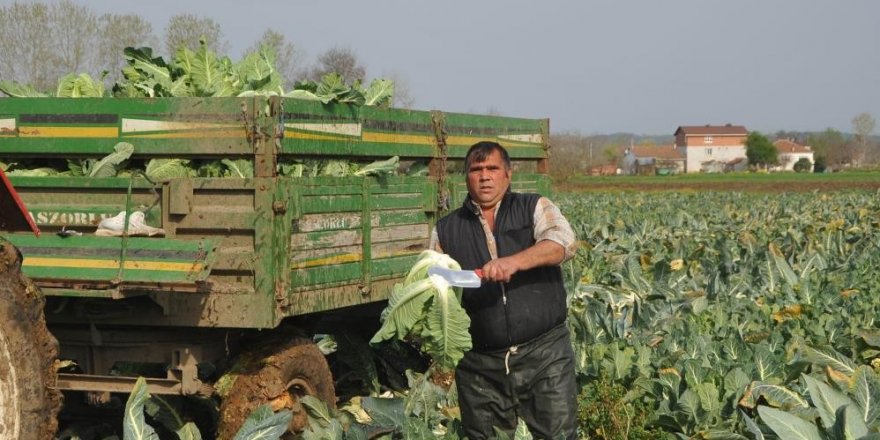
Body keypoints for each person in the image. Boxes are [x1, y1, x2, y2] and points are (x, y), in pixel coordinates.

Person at [431, 141, 578, 439]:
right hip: (480, 365)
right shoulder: (445, 229)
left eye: (492, 168)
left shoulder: (534, 206)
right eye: (476, 169)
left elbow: (563, 243)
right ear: (466, 178)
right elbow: (435, 282)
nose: (484, 176)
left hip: (544, 354)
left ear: (508, 175)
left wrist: (514, 262)